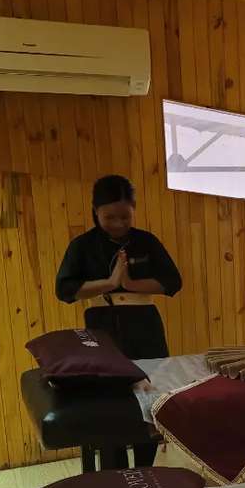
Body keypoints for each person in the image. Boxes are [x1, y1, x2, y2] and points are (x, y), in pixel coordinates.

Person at [56, 174, 182, 466]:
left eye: (125, 216)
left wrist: (131, 284)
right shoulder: (82, 246)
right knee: (109, 400)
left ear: (133, 210)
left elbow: (172, 282)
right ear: (95, 212)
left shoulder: (146, 241)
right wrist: (110, 283)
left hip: (145, 326)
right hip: (102, 326)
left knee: (148, 396)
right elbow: (65, 290)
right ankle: (114, 473)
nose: (118, 223)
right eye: (109, 217)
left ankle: (145, 470)